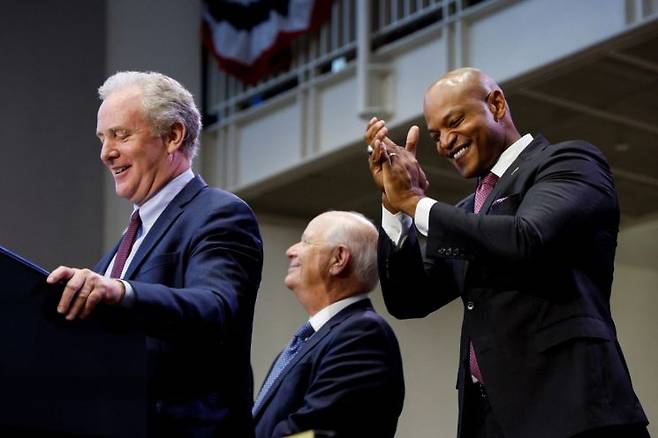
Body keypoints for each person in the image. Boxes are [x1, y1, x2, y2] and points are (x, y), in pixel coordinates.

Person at [364, 67, 648, 438]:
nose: (446, 143)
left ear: (496, 105)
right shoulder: (468, 211)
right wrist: (394, 205)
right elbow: (409, 299)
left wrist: (416, 203)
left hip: (573, 411)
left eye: (455, 122)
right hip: (489, 420)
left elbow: (527, 238)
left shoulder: (568, 162)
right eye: (436, 136)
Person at [47, 71, 263, 437]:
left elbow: (215, 306)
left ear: (173, 136)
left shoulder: (218, 213)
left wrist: (121, 292)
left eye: (121, 134)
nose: (106, 153)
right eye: (102, 138)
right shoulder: (123, 246)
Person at [253, 211, 405, 438]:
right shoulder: (308, 341)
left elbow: (318, 431)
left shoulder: (362, 336)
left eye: (305, 241)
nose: (290, 250)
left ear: (338, 259)